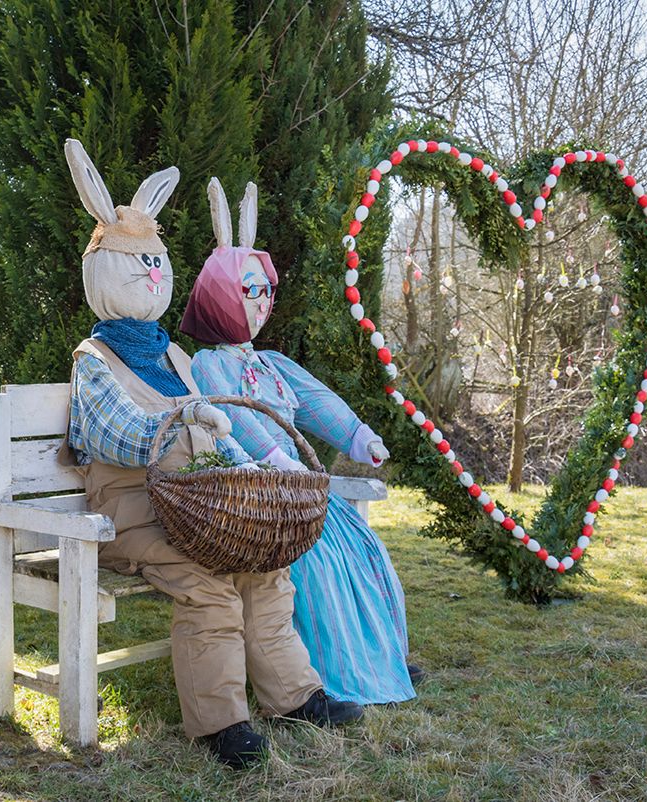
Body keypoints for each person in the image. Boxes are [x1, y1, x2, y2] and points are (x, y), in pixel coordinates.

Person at [60, 140, 364, 769]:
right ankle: (221, 722)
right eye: (135, 262)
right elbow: (113, 433)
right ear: (104, 273)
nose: (149, 273)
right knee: (207, 585)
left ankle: (295, 696)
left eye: (155, 260)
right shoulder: (95, 360)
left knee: (262, 566)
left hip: (195, 505)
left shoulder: (173, 355)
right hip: (130, 517)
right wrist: (178, 423)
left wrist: (241, 463)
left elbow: (218, 425)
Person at [181, 177, 422, 706]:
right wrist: (275, 459)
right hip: (266, 497)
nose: (262, 302)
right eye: (250, 290)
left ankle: (379, 658)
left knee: (364, 551)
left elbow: (315, 401)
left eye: (267, 290)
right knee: (319, 567)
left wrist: (358, 436)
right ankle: (330, 673)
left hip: (304, 489)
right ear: (219, 293)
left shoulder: (271, 363)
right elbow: (232, 417)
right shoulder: (208, 364)